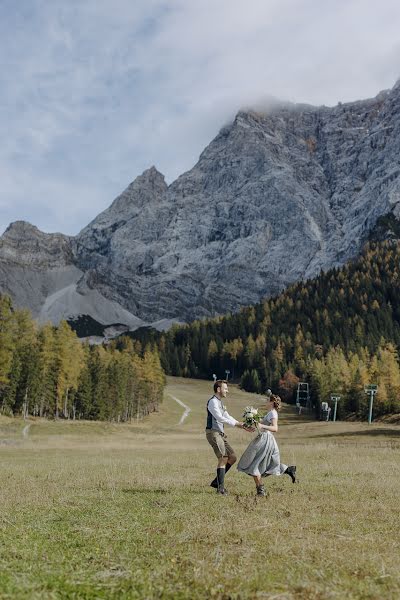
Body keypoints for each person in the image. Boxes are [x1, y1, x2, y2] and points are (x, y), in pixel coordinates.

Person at [237, 394, 296, 496]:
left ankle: (261, 491)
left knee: (254, 464)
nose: (266, 402)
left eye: (268, 400)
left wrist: (261, 425)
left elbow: (275, 428)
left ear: (272, 402)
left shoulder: (273, 413)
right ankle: (288, 469)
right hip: (263, 439)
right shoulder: (269, 413)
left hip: (266, 440)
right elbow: (261, 423)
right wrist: (252, 416)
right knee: (262, 464)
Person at [206, 379, 253, 495]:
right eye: (225, 388)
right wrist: (237, 424)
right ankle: (220, 489)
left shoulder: (220, 403)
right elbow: (220, 418)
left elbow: (227, 416)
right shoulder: (212, 402)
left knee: (232, 457)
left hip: (220, 434)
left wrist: (242, 425)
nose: (227, 390)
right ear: (218, 389)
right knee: (223, 458)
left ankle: (217, 482)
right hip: (213, 432)